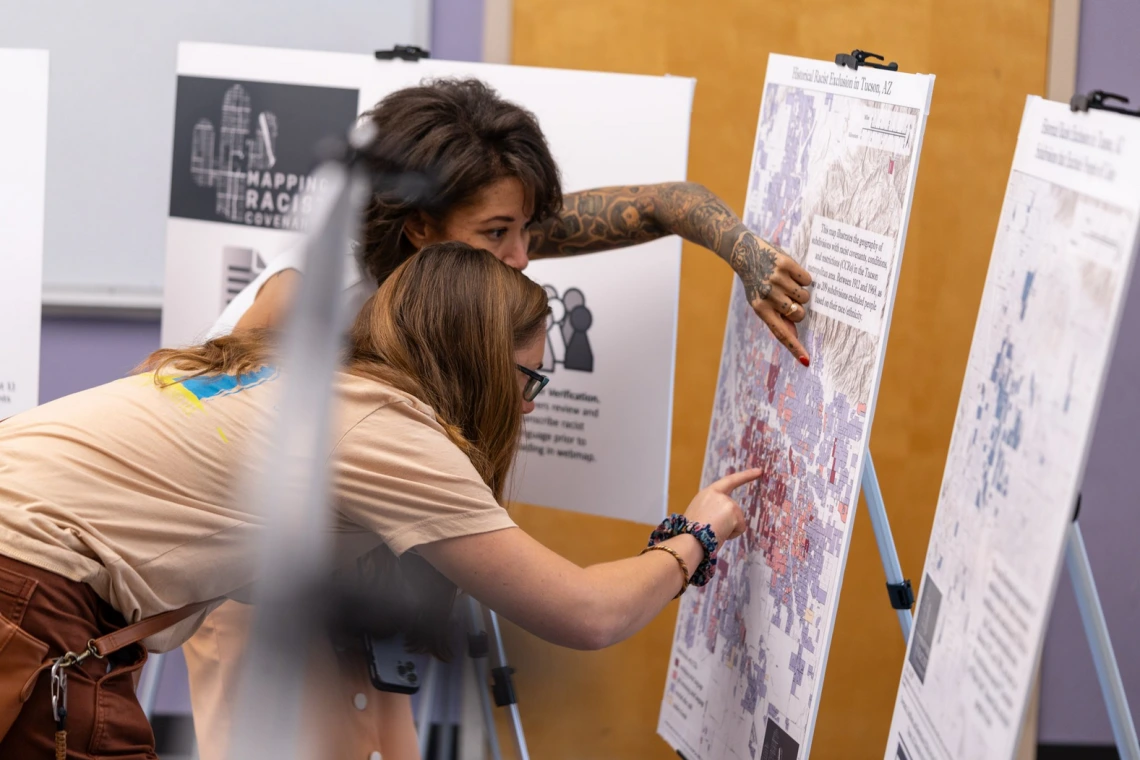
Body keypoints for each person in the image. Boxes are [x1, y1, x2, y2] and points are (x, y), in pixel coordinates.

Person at [188, 77, 813, 759]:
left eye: (524, 230)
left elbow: (662, 204)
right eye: (497, 234)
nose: (521, 256)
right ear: (418, 226)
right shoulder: (308, 300)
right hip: (255, 581)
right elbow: (201, 427)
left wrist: (749, 258)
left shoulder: (473, 247)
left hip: (360, 574)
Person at [0, 242, 759, 759]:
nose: (527, 407)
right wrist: (694, 534)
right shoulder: (385, 429)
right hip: (28, 587)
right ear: (481, 366)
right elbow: (586, 613)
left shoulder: (300, 369)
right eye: (528, 380)